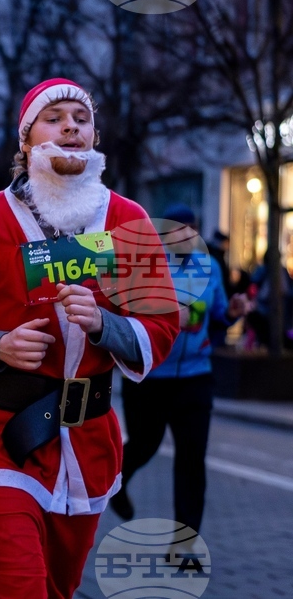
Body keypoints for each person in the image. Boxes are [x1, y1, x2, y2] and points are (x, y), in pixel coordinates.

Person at [0, 78, 180, 599]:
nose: (70, 128)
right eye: (54, 118)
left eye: (81, 120)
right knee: (18, 589)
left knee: (58, 589)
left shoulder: (128, 222)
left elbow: (162, 326)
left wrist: (104, 325)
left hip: (89, 440)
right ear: (26, 139)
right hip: (0, 439)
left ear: (94, 136)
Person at [110, 204, 247, 534]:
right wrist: (167, 314)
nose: (186, 236)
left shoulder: (209, 266)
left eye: (191, 229)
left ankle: (185, 545)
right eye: (177, 230)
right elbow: (125, 314)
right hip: (149, 377)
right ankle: (116, 483)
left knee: (192, 461)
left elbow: (217, 315)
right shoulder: (145, 264)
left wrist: (231, 312)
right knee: (144, 444)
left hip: (195, 377)